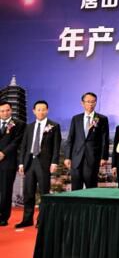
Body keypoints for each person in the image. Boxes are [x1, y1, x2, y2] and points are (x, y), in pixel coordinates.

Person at [16, 100, 61, 228]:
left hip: (44, 163)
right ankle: (27, 219)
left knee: (44, 192)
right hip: (29, 162)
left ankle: (42, 220)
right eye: (38, 109)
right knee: (28, 193)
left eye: (43, 109)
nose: (41, 112)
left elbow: (56, 146)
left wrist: (54, 162)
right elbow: (24, 146)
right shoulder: (29, 127)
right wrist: (21, 163)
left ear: (47, 110)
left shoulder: (54, 126)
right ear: (34, 111)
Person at [63, 92, 110, 190]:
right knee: (76, 188)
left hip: (92, 157)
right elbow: (70, 138)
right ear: (82, 103)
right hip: (76, 158)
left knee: (91, 187)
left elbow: (104, 140)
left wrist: (103, 157)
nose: (91, 104)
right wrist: (67, 157)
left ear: (96, 103)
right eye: (88, 101)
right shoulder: (76, 119)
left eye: (93, 102)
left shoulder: (102, 119)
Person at [0, 101, 25, 226]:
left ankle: (3, 217)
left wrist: (3, 153)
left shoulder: (19, 124)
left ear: (11, 110)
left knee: (6, 190)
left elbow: (16, 142)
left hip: (8, 161)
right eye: (2, 111)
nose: (5, 113)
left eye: (7, 110)